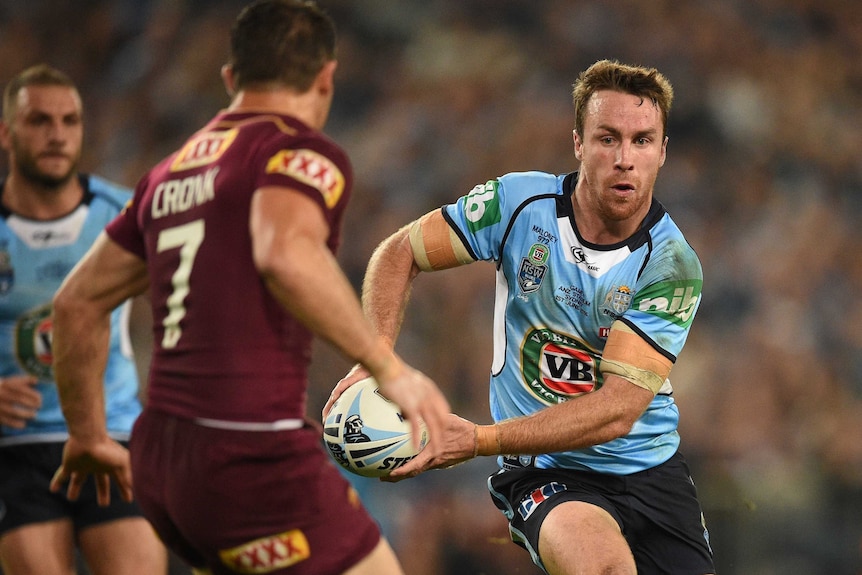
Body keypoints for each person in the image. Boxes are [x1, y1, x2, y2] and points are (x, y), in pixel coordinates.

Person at [48, 1, 450, 574]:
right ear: (327, 77)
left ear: (230, 78)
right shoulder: (297, 151)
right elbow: (285, 253)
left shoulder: (167, 175)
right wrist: (389, 369)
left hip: (160, 461)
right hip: (248, 455)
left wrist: (86, 435)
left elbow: (75, 302)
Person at [325, 59, 716, 575]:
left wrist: (478, 440)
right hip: (545, 469)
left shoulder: (671, 265)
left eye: (642, 141)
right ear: (578, 142)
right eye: (607, 138)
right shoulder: (518, 204)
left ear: (662, 152)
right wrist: (373, 357)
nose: (625, 159)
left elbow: (617, 411)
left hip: (651, 470)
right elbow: (400, 252)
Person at [0, 65, 167, 574]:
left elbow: (191, 307)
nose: (56, 134)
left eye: (70, 121)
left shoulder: (126, 213)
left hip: (111, 434)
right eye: (39, 121)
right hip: (14, 449)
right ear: (6, 133)